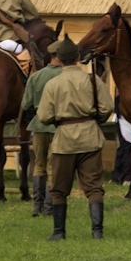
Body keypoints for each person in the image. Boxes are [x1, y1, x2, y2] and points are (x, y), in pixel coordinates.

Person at [37, 35, 114, 240]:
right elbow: (108, 108)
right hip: (90, 136)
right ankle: (97, 232)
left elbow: (44, 116)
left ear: (59, 59)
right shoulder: (93, 80)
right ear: (78, 57)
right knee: (94, 187)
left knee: (59, 189)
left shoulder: (53, 84)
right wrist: (93, 118)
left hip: (64, 141)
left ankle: (59, 232)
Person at [21, 41, 64, 218]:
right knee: (53, 166)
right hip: (59, 126)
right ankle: (49, 207)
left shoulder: (36, 76)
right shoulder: (65, 76)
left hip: (39, 124)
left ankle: (36, 206)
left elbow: (25, 104)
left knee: (39, 165)